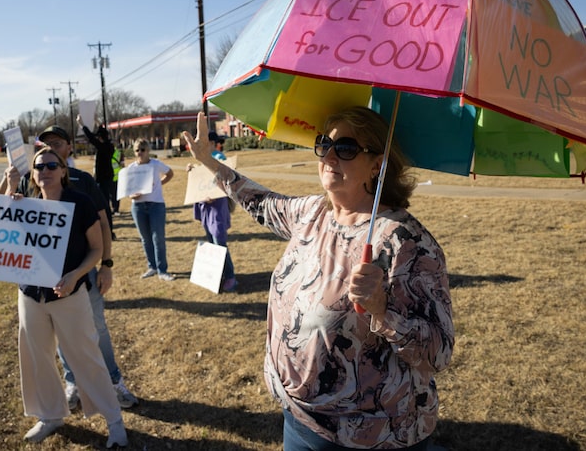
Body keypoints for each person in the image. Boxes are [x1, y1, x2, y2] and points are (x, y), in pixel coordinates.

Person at [181, 109, 454, 450]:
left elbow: (438, 353)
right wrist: (209, 161)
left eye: (346, 148)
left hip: (371, 434)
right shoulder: (313, 213)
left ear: (377, 165)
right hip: (299, 418)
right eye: (324, 144)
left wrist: (382, 311)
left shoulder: (407, 243)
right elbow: (260, 202)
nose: (328, 155)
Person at [0, 125, 139, 410]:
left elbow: (102, 224)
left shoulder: (83, 181)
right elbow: (0, 210)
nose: (50, 151)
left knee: (95, 328)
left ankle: (113, 382)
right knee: (60, 331)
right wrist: (8, 183)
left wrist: (106, 265)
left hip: (81, 269)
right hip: (43, 275)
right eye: (44, 145)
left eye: (57, 144)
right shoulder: (32, 180)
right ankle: (73, 381)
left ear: (68, 151)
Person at [186, 133, 237, 292]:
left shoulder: (218, 157)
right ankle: (218, 274)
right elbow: (201, 178)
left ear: (212, 143)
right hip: (205, 206)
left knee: (219, 242)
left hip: (217, 206)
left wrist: (213, 193)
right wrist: (191, 170)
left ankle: (230, 277)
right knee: (211, 240)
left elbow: (225, 178)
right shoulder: (203, 157)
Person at [126, 138, 175, 281]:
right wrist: (131, 195)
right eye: (137, 150)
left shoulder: (155, 164)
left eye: (143, 150)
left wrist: (159, 184)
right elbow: (127, 188)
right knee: (145, 239)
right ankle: (152, 266)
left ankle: (162, 270)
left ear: (148, 151)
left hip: (156, 205)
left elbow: (170, 173)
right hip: (138, 206)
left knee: (158, 238)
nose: (140, 153)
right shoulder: (131, 169)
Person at [77, 115, 117, 240]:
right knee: (106, 206)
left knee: (104, 207)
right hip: (108, 178)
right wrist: (97, 122)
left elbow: (91, 137)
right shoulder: (109, 145)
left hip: (102, 180)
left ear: (100, 138)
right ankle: (110, 232)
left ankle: (109, 232)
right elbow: (102, 133)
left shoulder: (102, 147)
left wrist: (82, 124)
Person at [111, 146, 123, 214]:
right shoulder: (118, 153)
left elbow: (122, 164)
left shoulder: (118, 153)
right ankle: (114, 208)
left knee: (115, 194)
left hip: (115, 177)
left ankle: (115, 209)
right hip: (114, 177)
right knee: (113, 194)